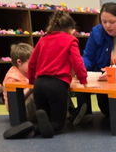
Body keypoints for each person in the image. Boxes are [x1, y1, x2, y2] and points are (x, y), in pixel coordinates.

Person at [27, 10, 88, 138]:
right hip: (57, 85)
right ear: (70, 28)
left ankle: (34, 128)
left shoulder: (43, 39)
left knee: (45, 115)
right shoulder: (71, 40)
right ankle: (43, 130)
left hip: (39, 84)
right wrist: (83, 79)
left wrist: (32, 81)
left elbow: (32, 62)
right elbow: (78, 62)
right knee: (58, 123)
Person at [0, 42, 39, 139]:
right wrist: (32, 87)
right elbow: (17, 99)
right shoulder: (12, 77)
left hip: (26, 106)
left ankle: (69, 112)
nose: (34, 65)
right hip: (18, 110)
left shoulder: (27, 72)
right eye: (31, 63)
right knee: (38, 93)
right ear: (19, 62)